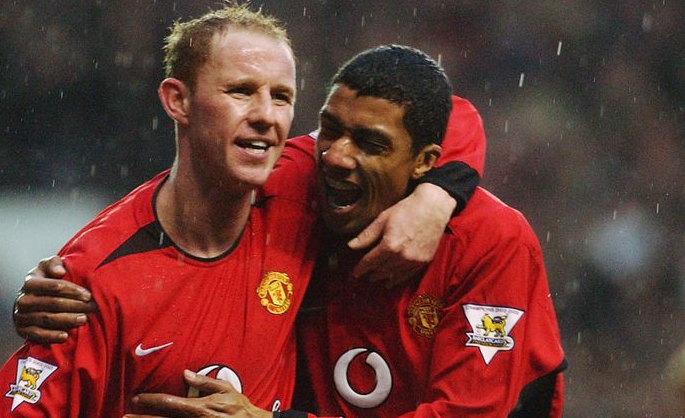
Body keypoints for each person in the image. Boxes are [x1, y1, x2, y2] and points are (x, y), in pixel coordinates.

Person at [0, 4, 484, 417]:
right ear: (178, 101)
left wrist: (436, 195)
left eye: (282, 97)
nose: (266, 115)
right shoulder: (93, 277)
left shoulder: (302, 181)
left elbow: (446, 113)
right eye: (241, 91)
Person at [123, 46, 566, 417]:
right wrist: (74, 273)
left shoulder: (491, 240)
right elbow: (179, 200)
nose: (335, 156)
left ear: (427, 161)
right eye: (329, 130)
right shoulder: (295, 179)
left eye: (370, 145)